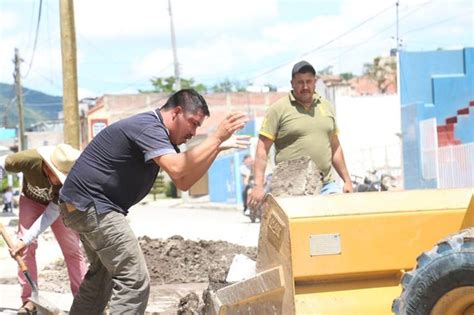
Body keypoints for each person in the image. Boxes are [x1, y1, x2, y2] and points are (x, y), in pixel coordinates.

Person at [58, 89, 249, 314]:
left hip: (80, 206)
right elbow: (178, 166)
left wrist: (215, 148)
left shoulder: (158, 135)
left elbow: (183, 181)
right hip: (95, 206)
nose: (193, 131)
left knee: (102, 276)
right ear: (177, 112)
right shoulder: (150, 127)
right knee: (134, 281)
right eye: (193, 123)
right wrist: (216, 137)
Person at [248, 60, 353, 209]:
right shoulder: (278, 109)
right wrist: (258, 185)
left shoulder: (326, 106)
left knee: (335, 223)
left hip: (326, 185)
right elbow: (262, 149)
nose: (305, 87)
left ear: (315, 82)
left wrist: (347, 180)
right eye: (300, 82)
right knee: (299, 231)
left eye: (309, 81)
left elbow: (335, 146)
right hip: (290, 187)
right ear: (292, 83)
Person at [0, 144, 88, 314]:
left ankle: (83, 301)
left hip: (58, 208)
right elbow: (2, 163)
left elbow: (50, 214)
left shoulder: (70, 179)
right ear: (48, 167)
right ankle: (29, 299)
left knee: (72, 250)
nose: (60, 182)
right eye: (58, 176)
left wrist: (24, 240)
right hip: (31, 201)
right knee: (25, 249)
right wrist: (23, 241)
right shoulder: (29, 159)